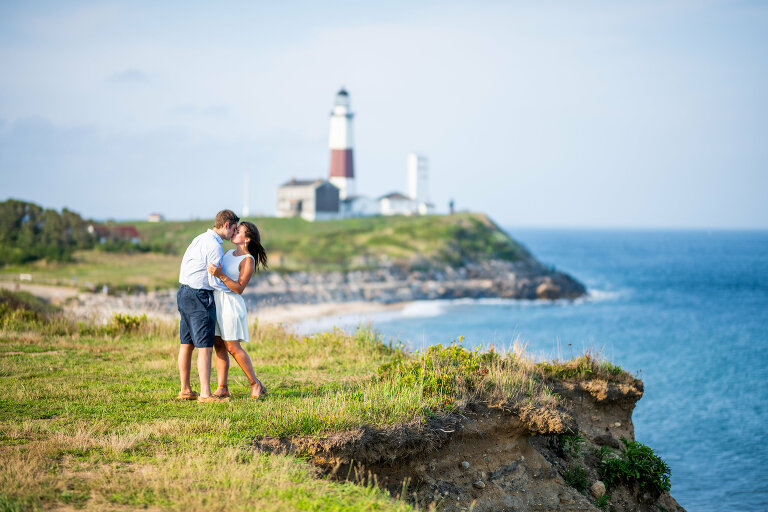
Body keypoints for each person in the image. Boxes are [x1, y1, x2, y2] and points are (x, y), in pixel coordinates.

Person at [176, 209, 239, 402]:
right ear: (226, 225)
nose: (234, 234)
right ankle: (205, 394)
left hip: (184, 291)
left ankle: (185, 389)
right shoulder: (215, 245)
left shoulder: (200, 238)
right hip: (199, 295)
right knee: (205, 346)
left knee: (186, 343)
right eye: (234, 229)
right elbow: (213, 281)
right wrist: (231, 290)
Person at [206, 221, 269, 400]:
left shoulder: (248, 260)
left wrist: (220, 275)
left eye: (238, 231)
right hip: (217, 301)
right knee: (218, 345)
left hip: (231, 304)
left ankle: (254, 383)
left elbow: (239, 288)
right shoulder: (227, 254)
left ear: (247, 238)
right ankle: (222, 388)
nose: (234, 233)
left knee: (232, 347)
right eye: (235, 230)